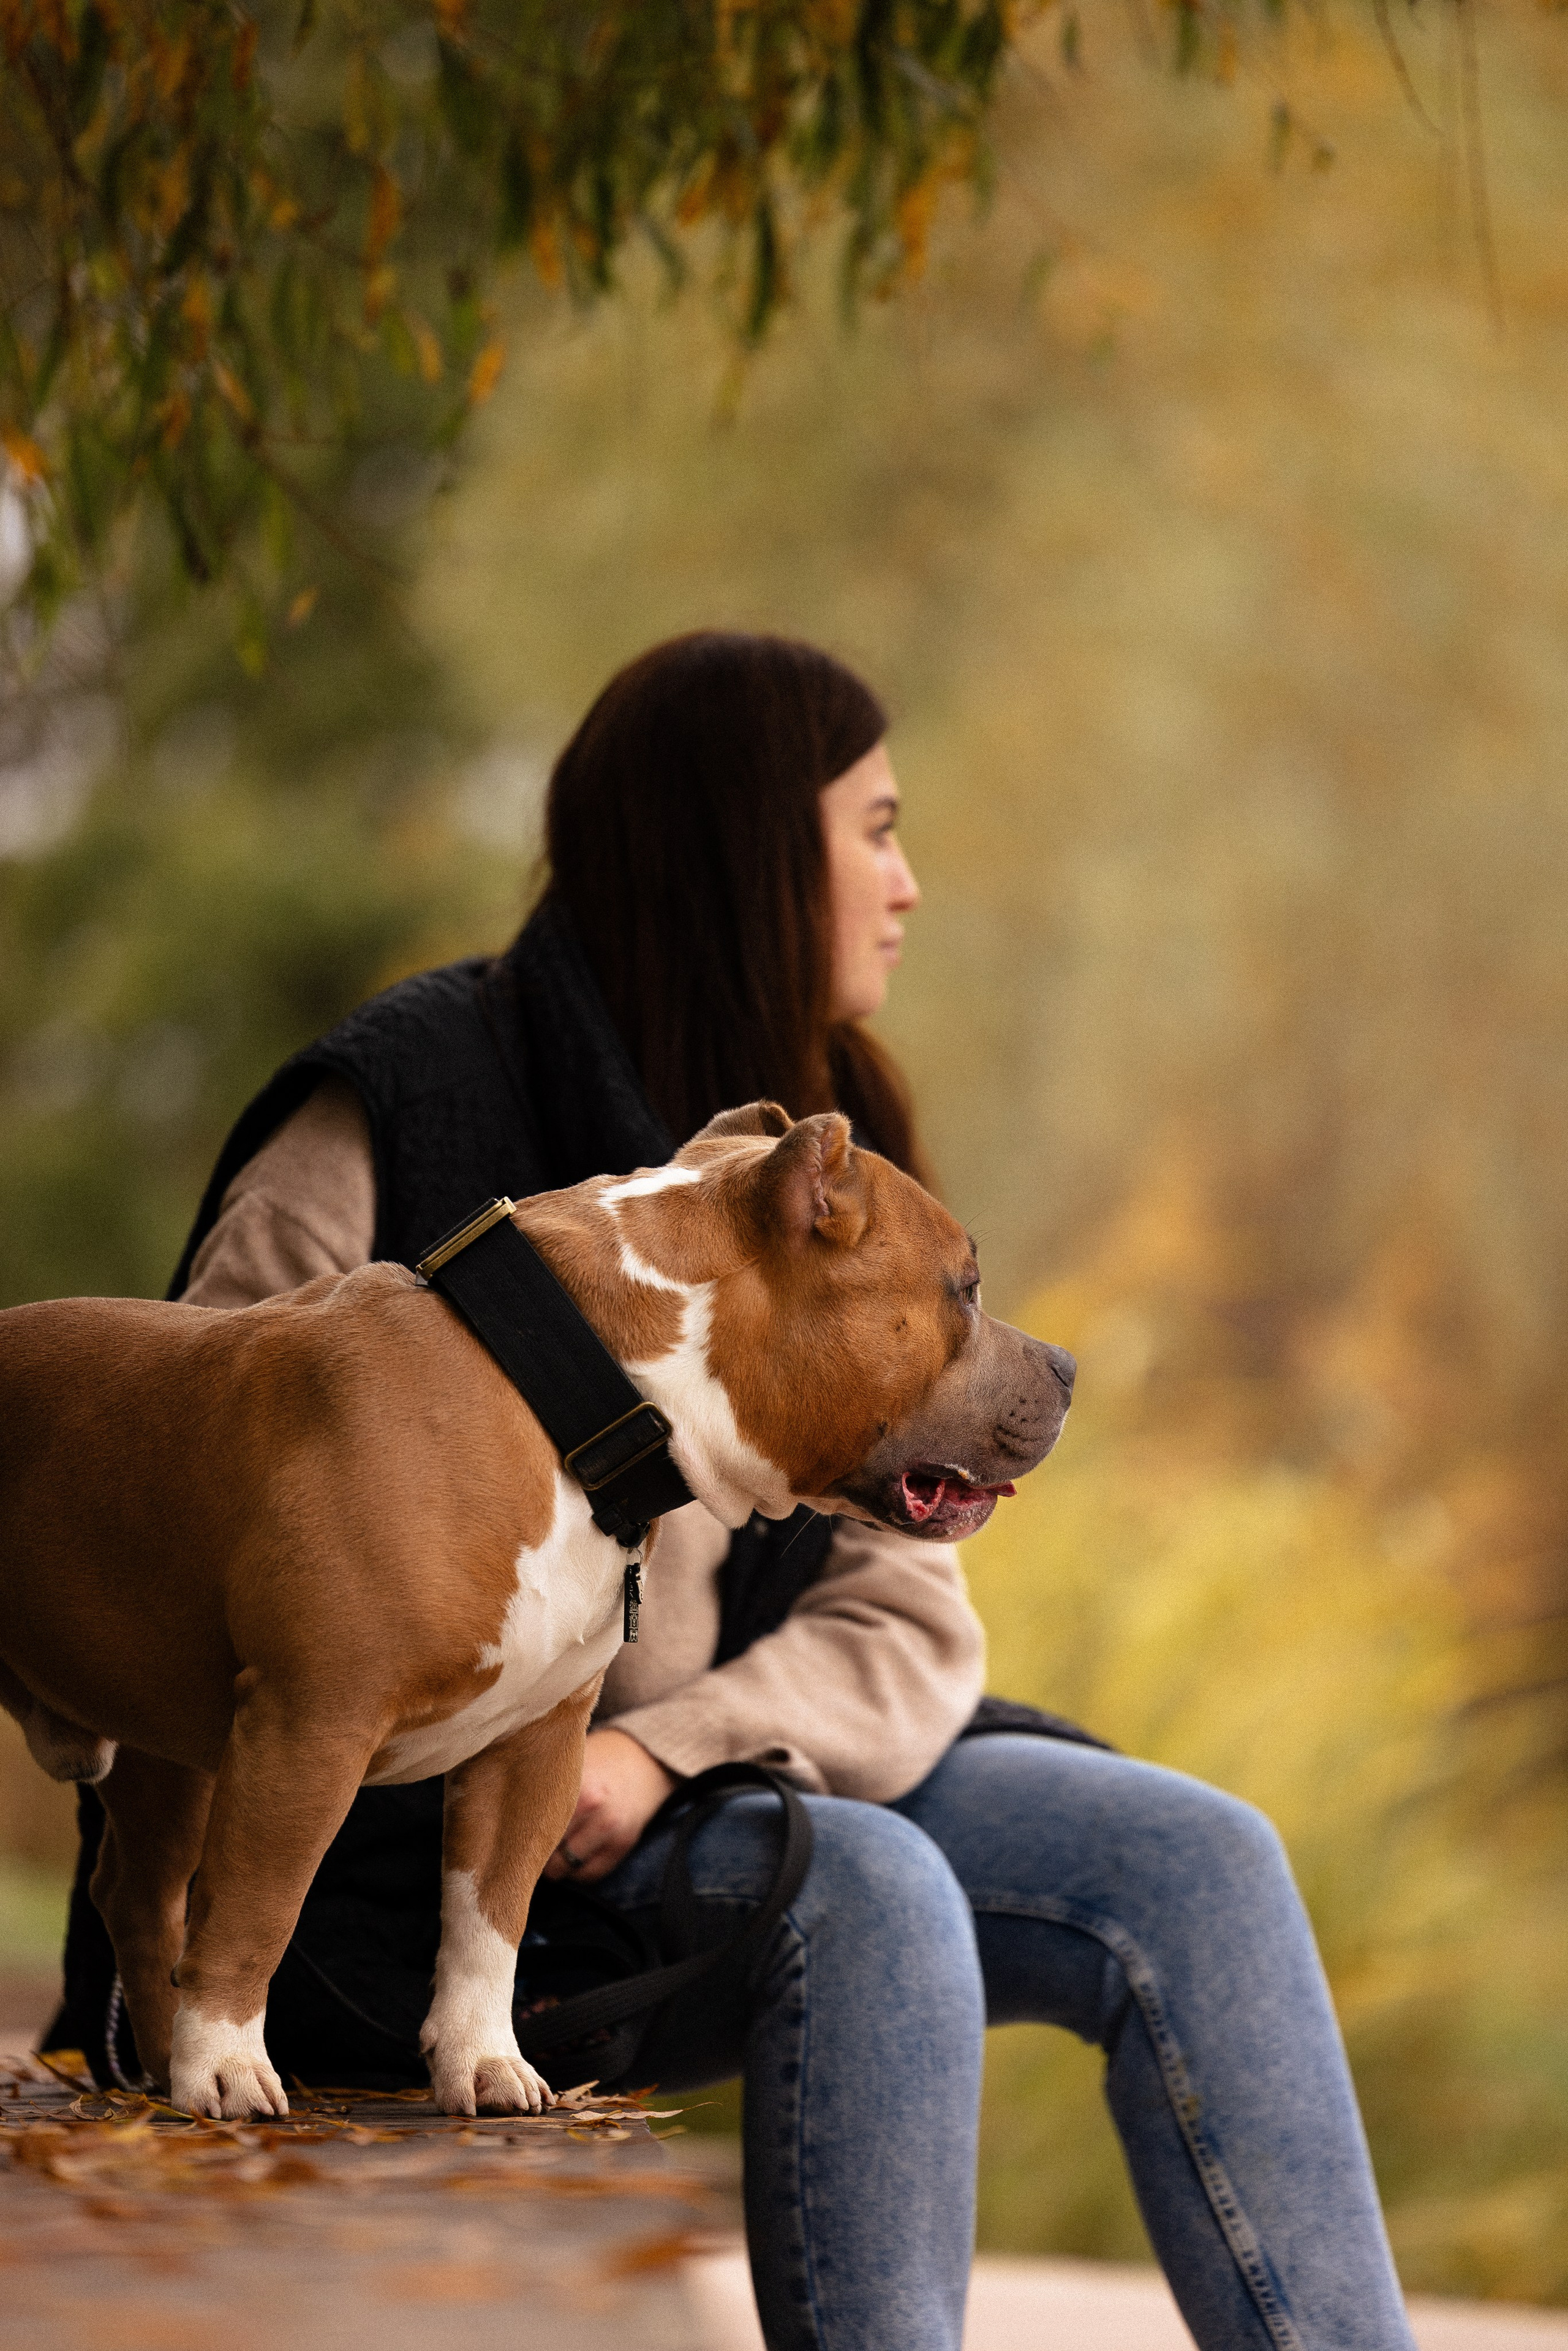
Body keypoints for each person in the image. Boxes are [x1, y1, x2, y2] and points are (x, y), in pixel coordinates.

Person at [52, 632, 1417, 2351]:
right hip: (427, 1859)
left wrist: (658, 1749)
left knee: (1203, 1860)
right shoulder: (406, 1102)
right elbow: (193, 1467)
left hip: (699, 1782)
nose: (912, 886)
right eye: (879, 830)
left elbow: (909, 1617)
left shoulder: (840, 1148)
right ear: (747, 851)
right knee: (871, 1892)